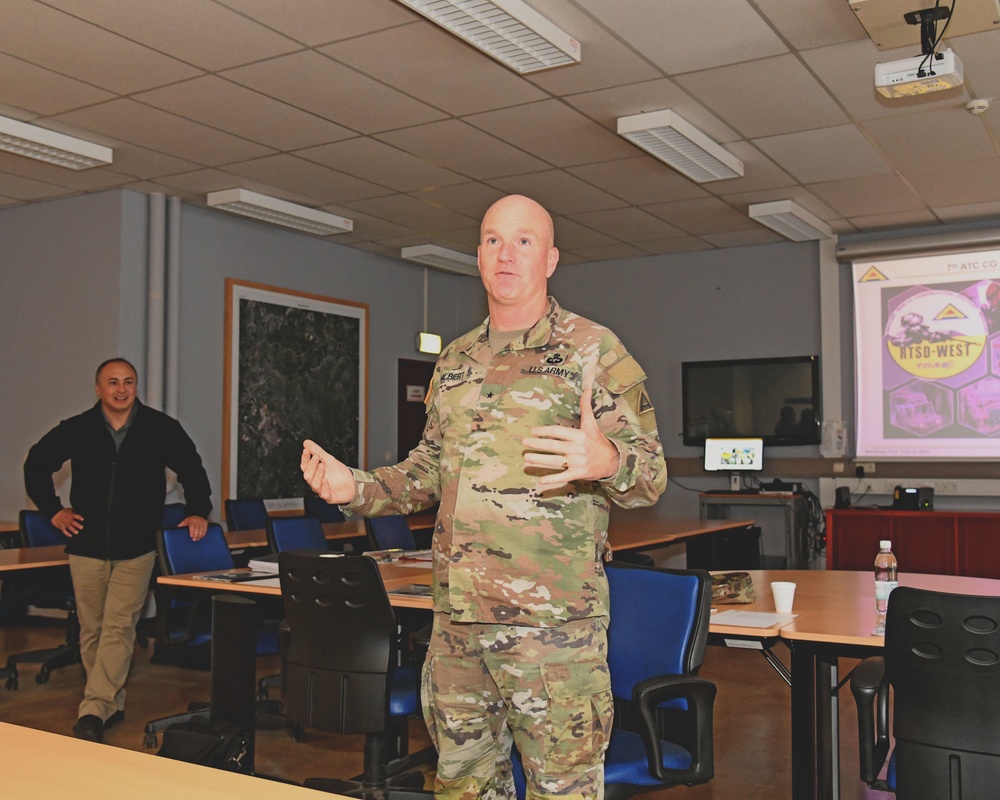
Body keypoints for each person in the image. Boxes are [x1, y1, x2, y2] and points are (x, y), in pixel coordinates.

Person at [302, 194, 666, 799]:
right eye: (494, 239)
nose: (506, 253)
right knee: (462, 788)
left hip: (551, 633)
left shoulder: (591, 350)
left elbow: (651, 473)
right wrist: (356, 488)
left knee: (563, 790)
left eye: (524, 241)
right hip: (456, 626)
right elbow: (427, 470)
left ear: (550, 259)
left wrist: (607, 460)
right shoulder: (454, 361)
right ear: (477, 256)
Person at [24, 358, 212, 743]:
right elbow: (36, 464)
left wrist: (197, 510)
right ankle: (110, 702)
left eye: (128, 382)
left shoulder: (160, 429)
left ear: (136, 387)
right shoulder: (78, 429)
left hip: (136, 549)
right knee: (92, 631)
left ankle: (92, 709)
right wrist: (54, 511)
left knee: (119, 628)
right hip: (86, 547)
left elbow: (193, 468)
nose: (121, 389)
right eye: (113, 382)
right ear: (99, 388)